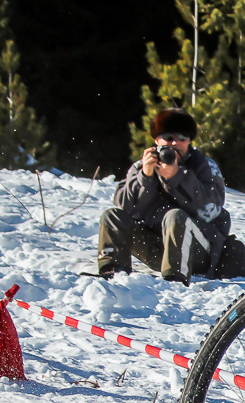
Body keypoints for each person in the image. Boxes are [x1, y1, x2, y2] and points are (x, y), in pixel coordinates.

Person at [97, 108, 231, 283]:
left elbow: (210, 209)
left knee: (175, 216)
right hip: (156, 247)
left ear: (189, 141)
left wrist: (177, 177)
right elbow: (126, 208)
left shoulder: (204, 166)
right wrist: (145, 178)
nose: (175, 143)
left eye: (182, 137)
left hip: (198, 252)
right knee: (112, 216)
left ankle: (175, 279)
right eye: (169, 137)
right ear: (157, 140)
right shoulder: (143, 166)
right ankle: (114, 273)